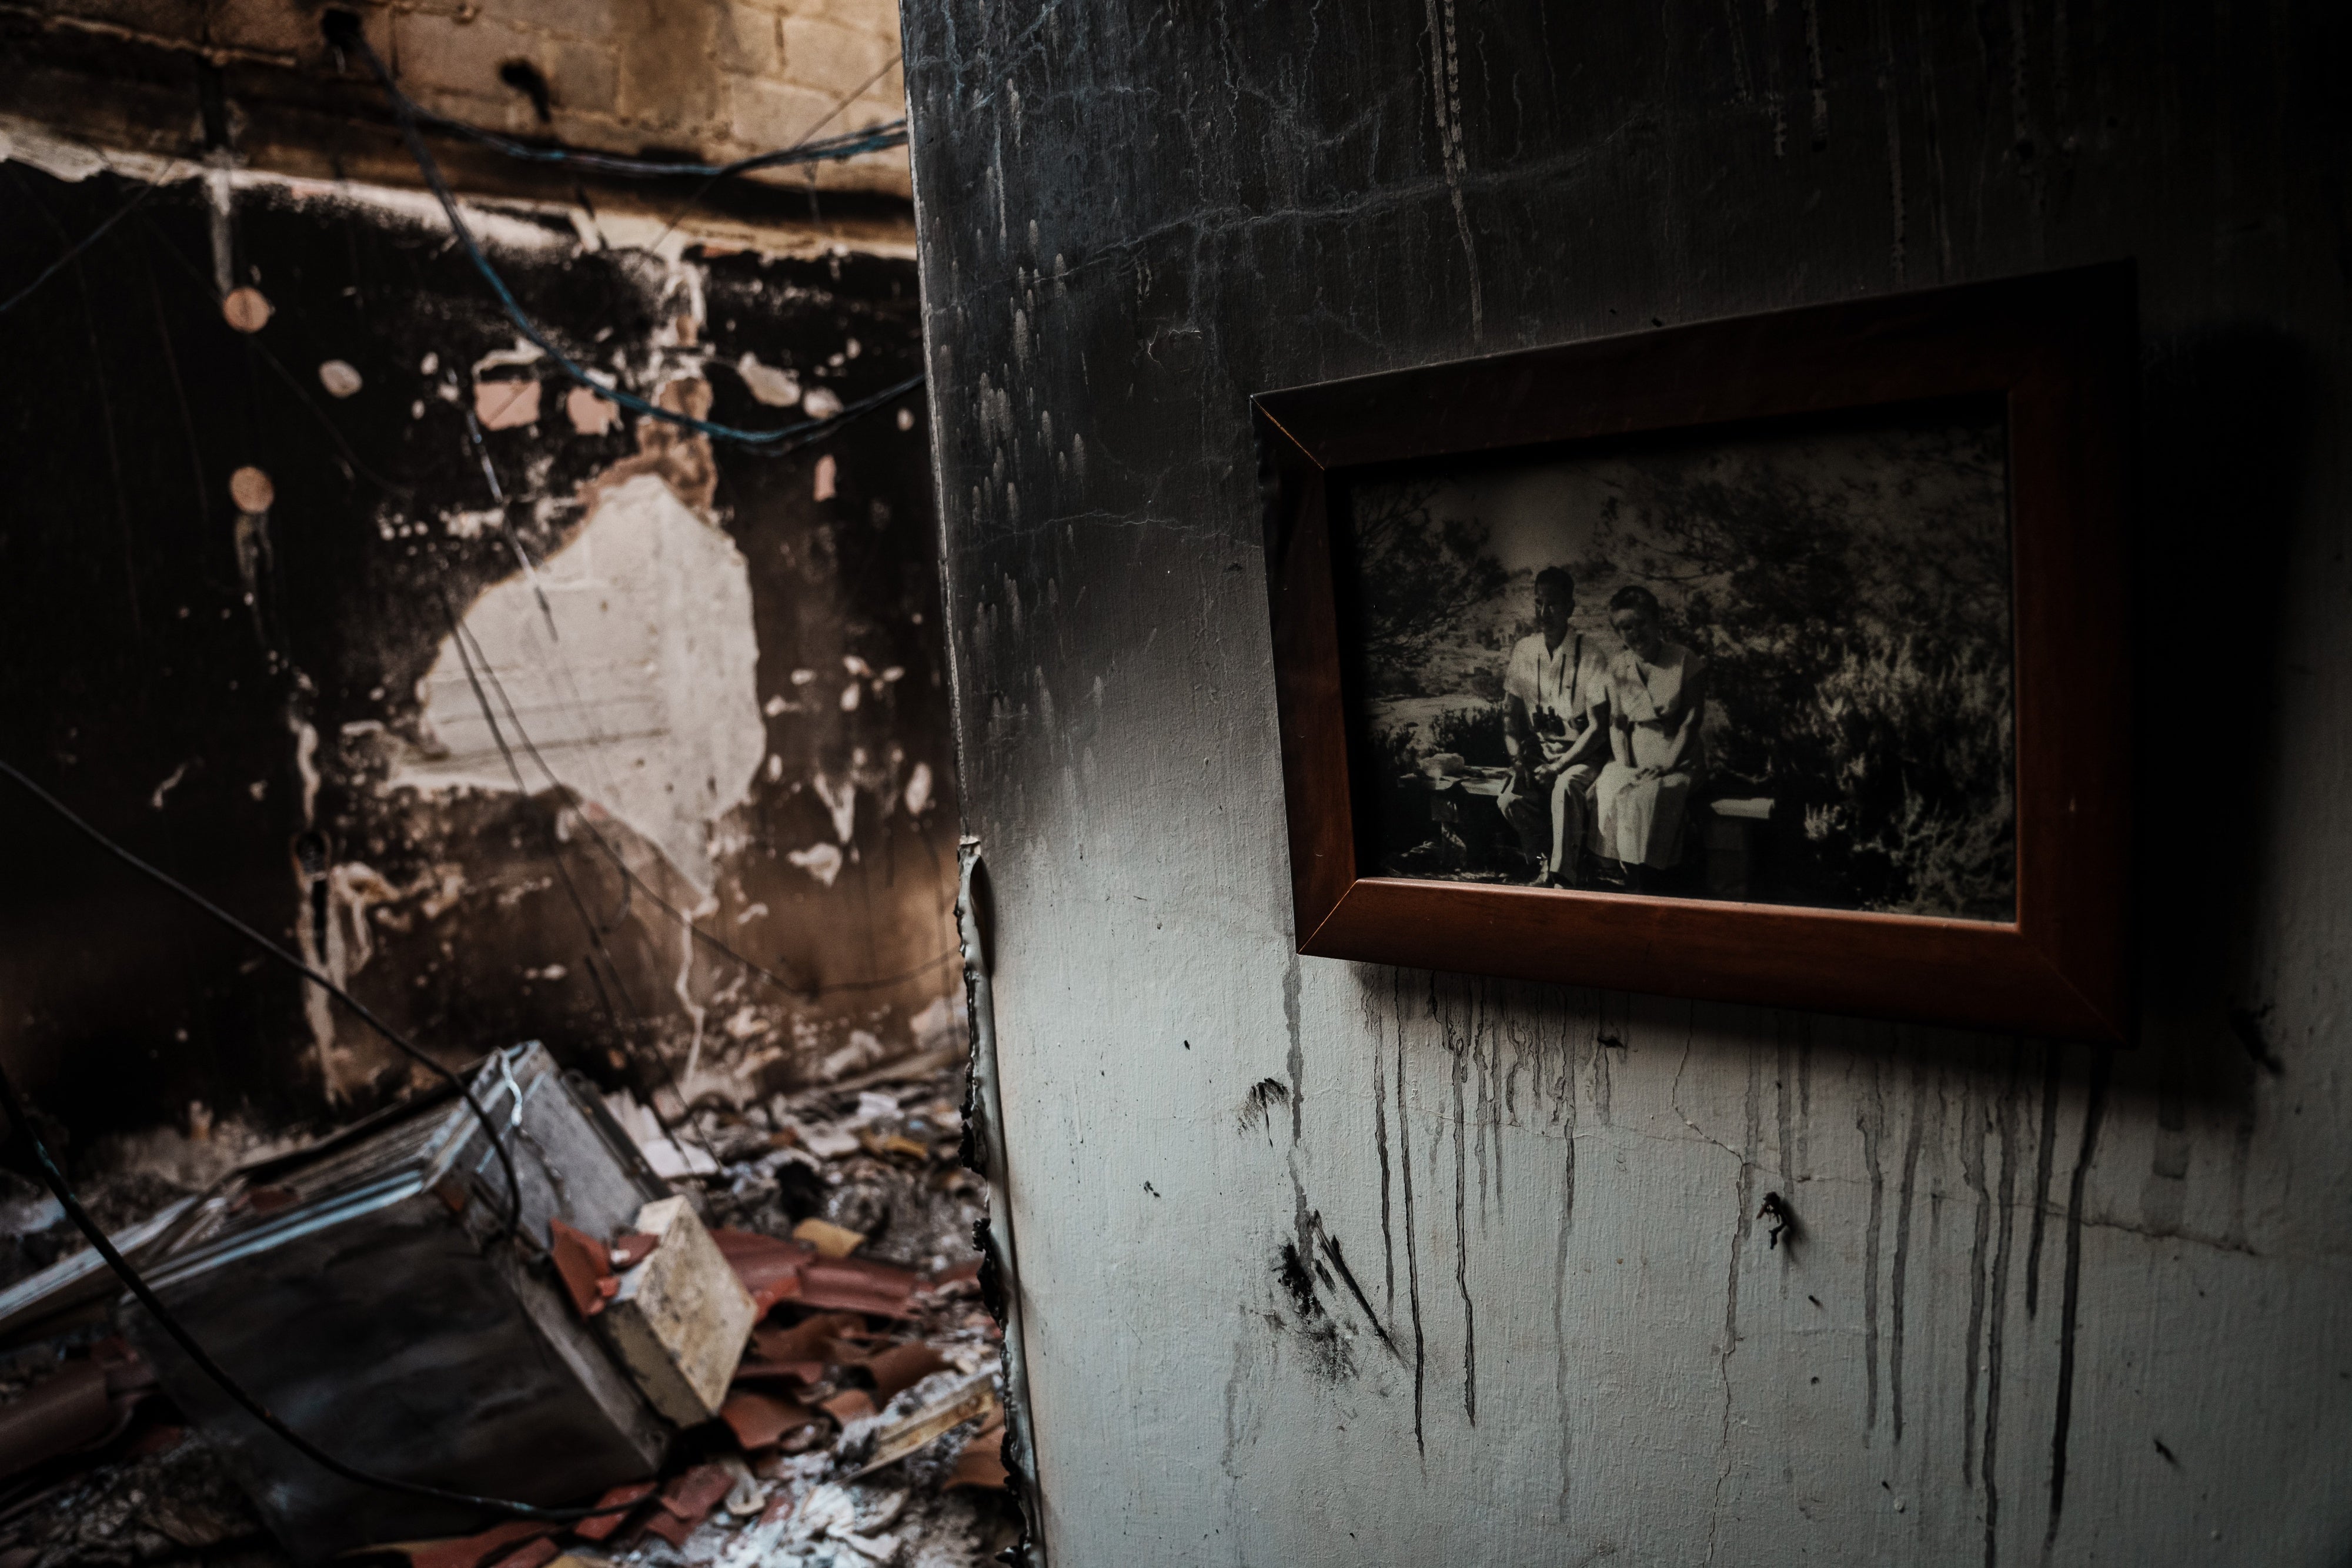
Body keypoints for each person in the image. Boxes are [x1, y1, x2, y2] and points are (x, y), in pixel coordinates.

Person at [1496, 567, 1612, 887]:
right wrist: (1517, 760)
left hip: (1583, 755)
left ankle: (1564, 879)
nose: (1544, 613)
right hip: (1541, 755)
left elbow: (1600, 728)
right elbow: (1509, 717)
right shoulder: (1524, 651)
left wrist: (1560, 765)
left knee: (1565, 787)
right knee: (1511, 799)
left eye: (1554, 604)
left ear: (1570, 608)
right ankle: (1543, 863)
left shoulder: (1590, 655)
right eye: (1538, 603)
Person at [1592, 583, 1707, 885]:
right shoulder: (1618, 666)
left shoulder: (1684, 660)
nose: (1635, 633)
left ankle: (1650, 879)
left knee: (1649, 796)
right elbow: (1617, 723)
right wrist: (1625, 765)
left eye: (1641, 623)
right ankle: (1620, 872)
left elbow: (1692, 721)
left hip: (1678, 760)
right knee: (1610, 785)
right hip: (1636, 759)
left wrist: (1667, 765)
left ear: (1657, 621)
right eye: (1625, 627)